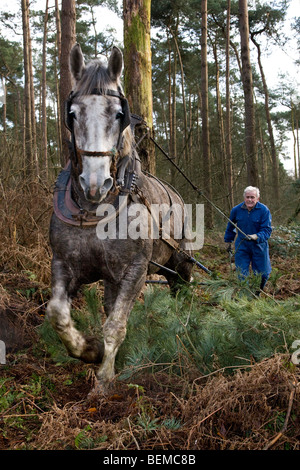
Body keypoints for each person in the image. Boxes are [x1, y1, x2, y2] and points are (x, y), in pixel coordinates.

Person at [224, 186, 272, 292]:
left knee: (263, 274)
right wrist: (228, 240)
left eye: (252, 197)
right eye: (247, 197)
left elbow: (267, 230)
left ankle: (257, 293)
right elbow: (230, 227)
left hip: (259, 247)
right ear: (244, 198)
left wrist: (257, 236)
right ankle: (244, 297)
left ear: (257, 199)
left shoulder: (264, 210)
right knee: (242, 274)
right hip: (242, 246)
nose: (249, 200)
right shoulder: (236, 210)